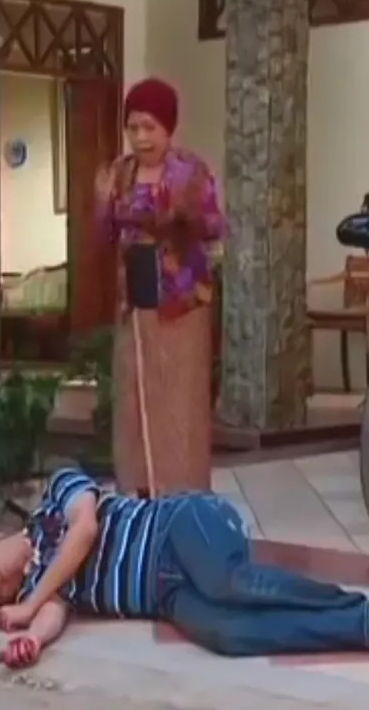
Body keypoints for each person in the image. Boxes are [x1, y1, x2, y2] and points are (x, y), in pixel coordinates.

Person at [0, 464, 369, 670]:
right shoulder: (46, 588)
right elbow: (52, 616)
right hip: (165, 596)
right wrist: (31, 641)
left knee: (228, 582)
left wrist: (28, 603)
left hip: (180, 524)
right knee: (228, 635)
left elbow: (84, 529)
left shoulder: (55, 495)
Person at [95, 77, 223, 495]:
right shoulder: (118, 174)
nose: (141, 137)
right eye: (133, 128)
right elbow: (103, 234)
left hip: (181, 306)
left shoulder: (191, 172)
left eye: (150, 127)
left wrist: (178, 215)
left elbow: (213, 228)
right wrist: (103, 203)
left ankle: (181, 497)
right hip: (135, 303)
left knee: (178, 406)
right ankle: (137, 493)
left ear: (169, 127)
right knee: (133, 402)